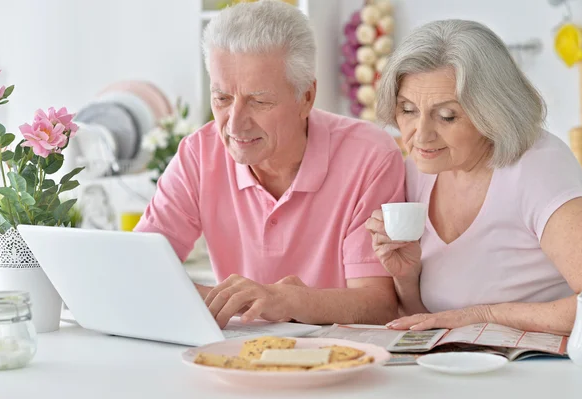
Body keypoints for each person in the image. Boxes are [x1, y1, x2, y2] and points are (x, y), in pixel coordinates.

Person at [135, 0, 405, 328]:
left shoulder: (370, 156)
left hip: (341, 362)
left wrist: (284, 299)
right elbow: (142, 269)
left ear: (306, 97)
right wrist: (232, 300)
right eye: (221, 99)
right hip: (235, 360)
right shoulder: (198, 154)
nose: (234, 125)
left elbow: (379, 305)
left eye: (259, 101)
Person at [366, 19, 582, 335]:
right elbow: (431, 321)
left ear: (492, 113)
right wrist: (407, 278)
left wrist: (484, 314)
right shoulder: (420, 169)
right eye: (407, 110)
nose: (420, 135)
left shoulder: (537, 168)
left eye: (447, 116)